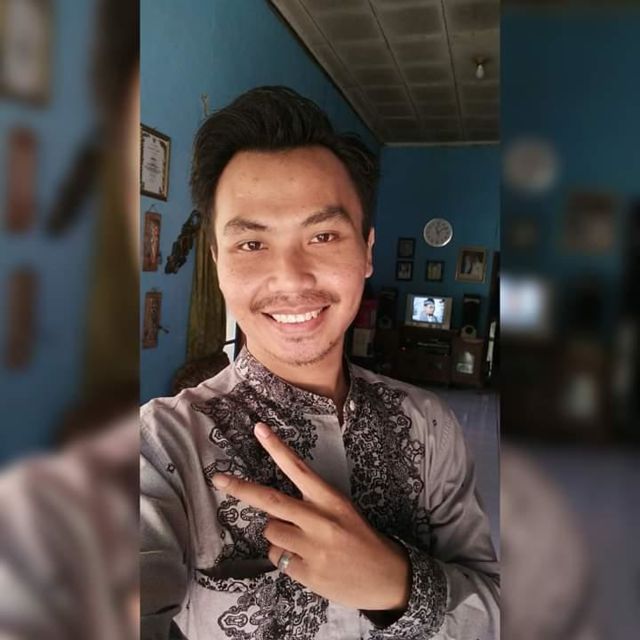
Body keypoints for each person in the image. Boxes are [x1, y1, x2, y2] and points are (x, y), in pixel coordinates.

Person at [140, 86, 499, 640]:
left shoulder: (430, 426)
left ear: (367, 251)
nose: (290, 278)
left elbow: (494, 608)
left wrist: (400, 586)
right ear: (216, 262)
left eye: (323, 235)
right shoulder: (162, 443)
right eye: (251, 245)